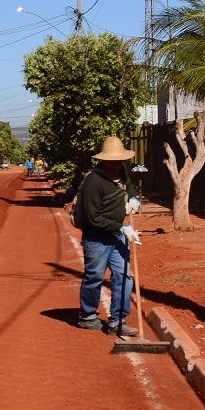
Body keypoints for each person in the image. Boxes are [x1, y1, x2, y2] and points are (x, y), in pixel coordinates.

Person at [74, 136, 142, 337]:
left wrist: (133, 199)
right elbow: (92, 218)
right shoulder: (93, 182)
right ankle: (87, 317)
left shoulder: (122, 172)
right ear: (103, 160)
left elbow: (129, 188)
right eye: (111, 162)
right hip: (97, 238)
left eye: (118, 161)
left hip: (117, 235)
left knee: (124, 276)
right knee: (94, 276)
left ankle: (117, 321)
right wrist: (121, 229)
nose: (115, 165)